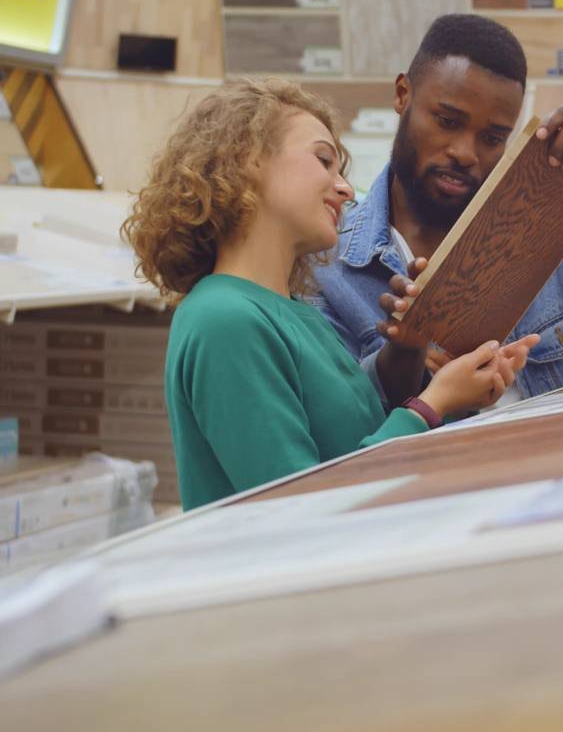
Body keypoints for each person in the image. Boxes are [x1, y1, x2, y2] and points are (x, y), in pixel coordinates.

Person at [123, 79, 537, 510]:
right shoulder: (224, 320)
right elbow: (300, 508)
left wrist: (462, 391)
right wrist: (430, 407)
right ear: (247, 159)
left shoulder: (297, 315)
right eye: (324, 160)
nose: (344, 189)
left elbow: (356, 449)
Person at [313, 14, 563, 402]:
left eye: (492, 137)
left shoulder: (554, 230)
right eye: (447, 121)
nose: (465, 154)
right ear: (403, 95)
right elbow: (342, 426)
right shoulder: (329, 269)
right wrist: (407, 366)